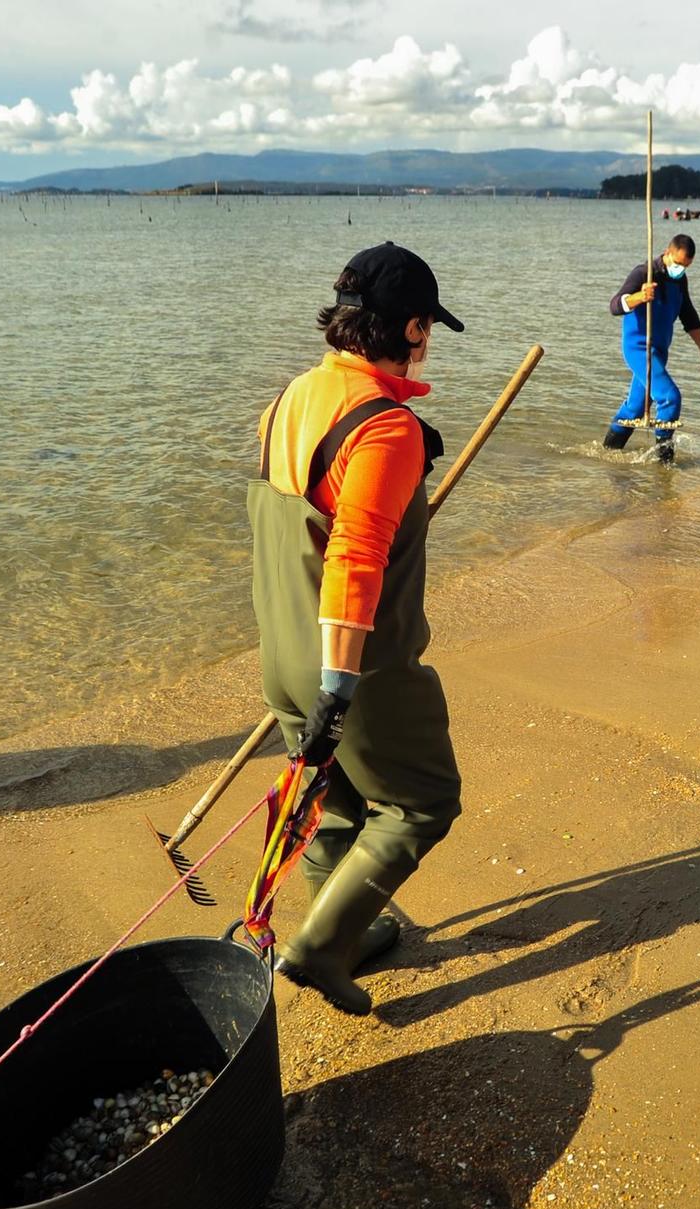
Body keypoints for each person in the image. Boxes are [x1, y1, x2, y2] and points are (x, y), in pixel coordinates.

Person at [250, 241, 465, 1016]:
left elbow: (302, 519)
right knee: (421, 803)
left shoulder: (288, 397)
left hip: (279, 649)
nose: (428, 341)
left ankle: (345, 924)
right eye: (427, 328)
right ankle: (320, 947)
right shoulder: (388, 429)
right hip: (350, 661)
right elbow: (353, 557)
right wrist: (340, 684)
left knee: (337, 800)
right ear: (411, 329)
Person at [603, 233, 700, 463]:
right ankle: (665, 464)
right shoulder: (644, 273)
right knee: (670, 398)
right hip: (638, 348)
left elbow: (689, 316)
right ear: (667, 253)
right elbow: (615, 305)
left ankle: (606, 455)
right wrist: (639, 297)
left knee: (634, 409)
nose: (680, 269)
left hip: (659, 351)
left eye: (686, 266)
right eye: (678, 263)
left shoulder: (680, 280)